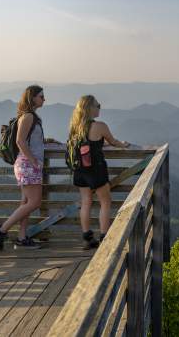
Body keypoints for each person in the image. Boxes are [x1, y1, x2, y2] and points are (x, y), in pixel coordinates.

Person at [67, 95, 129, 249]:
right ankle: (104, 237)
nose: (99, 107)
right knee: (105, 202)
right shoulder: (100, 126)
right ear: (90, 108)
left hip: (79, 170)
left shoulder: (75, 126)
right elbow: (113, 142)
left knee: (86, 201)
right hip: (96, 169)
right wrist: (123, 144)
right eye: (97, 105)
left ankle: (87, 237)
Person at [0, 85, 46, 250]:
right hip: (28, 164)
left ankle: (22, 238)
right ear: (32, 98)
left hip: (27, 164)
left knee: (26, 202)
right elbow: (19, 141)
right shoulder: (28, 116)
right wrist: (34, 161)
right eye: (41, 96)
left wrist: (47, 141)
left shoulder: (30, 117)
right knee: (35, 202)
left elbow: (29, 139)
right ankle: (1, 230)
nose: (44, 99)